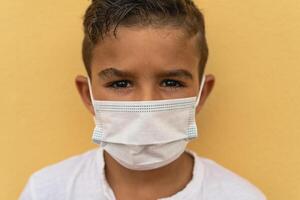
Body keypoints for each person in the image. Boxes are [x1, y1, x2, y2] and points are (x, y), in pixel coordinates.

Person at [20, 0, 266, 199]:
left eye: (171, 83)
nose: (146, 105)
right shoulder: (46, 191)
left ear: (201, 94)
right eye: (121, 83)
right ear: (88, 95)